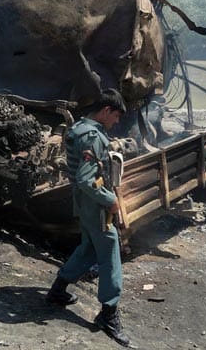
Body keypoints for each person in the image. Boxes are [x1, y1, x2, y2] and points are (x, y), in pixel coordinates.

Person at [46, 88, 130, 347]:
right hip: (95, 205)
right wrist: (110, 200)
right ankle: (109, 313)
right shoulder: (92, 136)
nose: (116, 122)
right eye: (115, 117)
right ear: (106, 111)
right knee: (110, 251)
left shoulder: (81, 126)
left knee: (89, 247)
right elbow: (85, 178)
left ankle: (58, 291)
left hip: (83, 204)